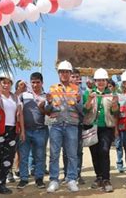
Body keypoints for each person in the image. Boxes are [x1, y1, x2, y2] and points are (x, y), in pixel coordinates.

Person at [45, 60, 82, 193]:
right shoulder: (53, 88)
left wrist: (78, 101)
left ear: (70, 73)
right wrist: (48, 102)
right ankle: (54, 180)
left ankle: (71, 179)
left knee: (72, 154)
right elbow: (48, 110)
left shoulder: (77, 89)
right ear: (58, 73)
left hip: (72, 125)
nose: (64, 74)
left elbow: (82, 109)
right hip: (56, 125)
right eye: (62, 72)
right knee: (54, 154)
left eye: (67, 72)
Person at [83, 68, 119, 192]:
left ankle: (106, 178)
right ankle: (98, 177)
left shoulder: (112, 94)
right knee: (95, 153)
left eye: (103, 80)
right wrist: (89, 100)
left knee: (104, 151)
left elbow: (115, 112)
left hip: (106, 127)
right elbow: (85, 110)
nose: (101, 82)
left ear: (106, 81)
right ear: (95, 81)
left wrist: (114, 104)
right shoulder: (88, 93)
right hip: (91, 126)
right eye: (98, 80)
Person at [17, 72, 49, 189]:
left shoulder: (46, 96)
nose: (35, 85)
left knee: (40, 156)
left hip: (41, 130)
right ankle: (23, 179)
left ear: (42, 83)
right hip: (25, 130)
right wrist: (22, 131)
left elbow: (49, 114)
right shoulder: (23, 95)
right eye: (33, 82)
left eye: (37, 82)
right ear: (30, 83)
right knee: (24, 156)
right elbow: (18, 109)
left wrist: (44, 106)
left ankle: (39, 179)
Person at [63, 68, 85, 185]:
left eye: (78, 77)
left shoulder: (83, 92)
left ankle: (77, 174)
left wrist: (76, 101)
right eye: (73, 76)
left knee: (77, 151)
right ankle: (67, 174)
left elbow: (84, 110)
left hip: (78, 124)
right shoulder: (61, 90)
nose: (76, 79)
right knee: (66, 151)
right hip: (64, 124)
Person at [109, 79, 125, 174]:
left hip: (117, 125)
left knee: (119, 145)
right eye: (108, 87)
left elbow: (117, 114)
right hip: (106, 126)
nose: (109, 88)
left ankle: (120, 164)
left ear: (114, 87)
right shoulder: (102, 96)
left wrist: (116, 128)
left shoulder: (117, 97)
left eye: (110, 86)